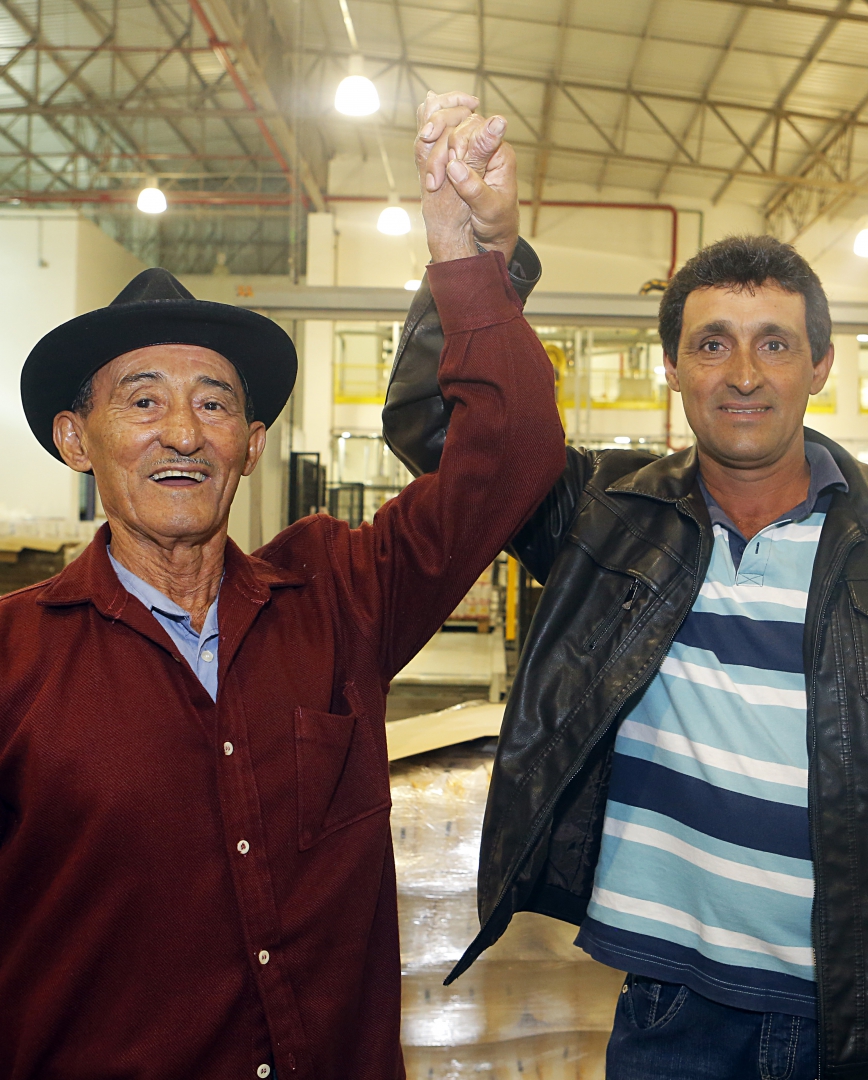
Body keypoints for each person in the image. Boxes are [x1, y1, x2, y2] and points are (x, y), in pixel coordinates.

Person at [0, 93, 565, 1080]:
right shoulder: (15, 660)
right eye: (143, 401)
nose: (183, 432)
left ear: (251, 444)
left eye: (214, 403)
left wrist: (466, 262)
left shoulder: (339, 598)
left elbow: (511, 456)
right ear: (76, 439)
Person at [385, 159, 868, 1075]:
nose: (744, 375)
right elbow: (438, 432)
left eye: (773, 343)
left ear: (820, 364)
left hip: (847, 1014)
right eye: (712, 344)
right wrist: (483, 260)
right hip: (669, 1013)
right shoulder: (608, 518)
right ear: (673, 367)